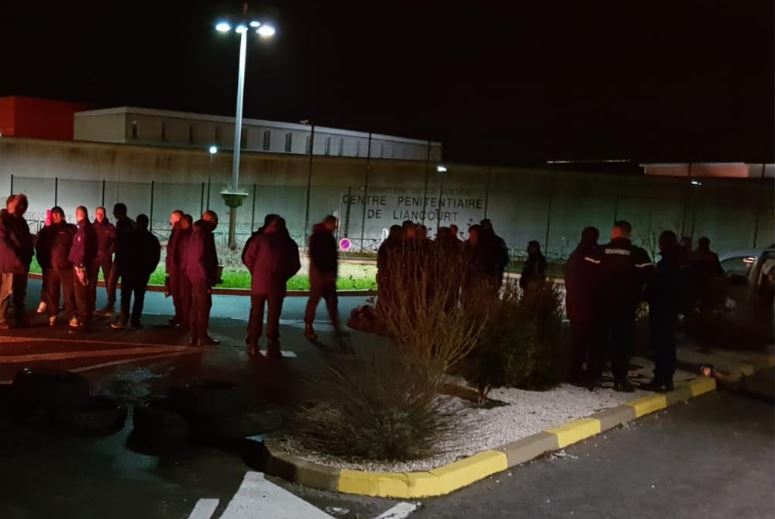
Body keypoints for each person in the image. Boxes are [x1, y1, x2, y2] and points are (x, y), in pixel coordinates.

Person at [585, 220, 654, 392]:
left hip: (600, 305)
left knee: (598, 340)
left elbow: (585, 275)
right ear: (628, 234)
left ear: (613, 233)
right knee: (622, 342)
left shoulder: (599, 252)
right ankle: (620, 378)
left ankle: (594, 376)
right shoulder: (638, 254)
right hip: (625, 307)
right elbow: (651, 277)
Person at [242, 216, 301, 358]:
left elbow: (247, 258)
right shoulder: (288, 243)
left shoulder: (259, 239)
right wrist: (283, 276)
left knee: (256, 314)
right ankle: (272, 343)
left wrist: (255, 273)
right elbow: (295, 265)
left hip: (258, 284)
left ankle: (254, 344)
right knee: (274, 316)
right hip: (277, 285)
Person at [643, 230, 689, 392]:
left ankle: (662, 379)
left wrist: (645, 293)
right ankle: (664, 379)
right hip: (672, 310)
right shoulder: (682, 262)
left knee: (661, 345)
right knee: (668, 345)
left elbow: (657, 286)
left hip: (662, 310)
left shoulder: (667, 264)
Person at [564, 227, 601, 385]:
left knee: (578, 342)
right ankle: (587, 374)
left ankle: (574, 373)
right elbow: (597, 282)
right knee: (591, 343)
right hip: (588, 307)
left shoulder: (575, 255)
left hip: (575, 305)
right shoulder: (592, 256)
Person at [111, 214, 160, 329]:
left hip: (128, 273)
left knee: (125, 297)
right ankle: (135, 321)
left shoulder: (128, 237)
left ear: (137, 223)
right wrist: (149, 270)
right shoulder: (152, 239)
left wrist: (122, 270)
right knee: (139, 297)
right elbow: (155, 257)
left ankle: (123, 320)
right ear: (147, 223)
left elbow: (120, 255)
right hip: (142, 273)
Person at [36, 207, 77, 328]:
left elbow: (77, 246)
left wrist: (73, 263)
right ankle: (52, 315)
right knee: (52, 293)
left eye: (58, 214)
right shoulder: (46, 231)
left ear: (63, 216)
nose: (55, 217)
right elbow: (39, 247)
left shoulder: (71, 229)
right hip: (50, 268)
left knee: (69, 294)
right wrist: (43, 263)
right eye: (53, 215)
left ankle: (72, 316)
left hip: (67, 269)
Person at [183, 210, 220, 347]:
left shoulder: (195, 232)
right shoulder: (203, 234)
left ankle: (194, 336)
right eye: (216, 221)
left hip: (194, 274)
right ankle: (201, 336)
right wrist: (207, 276)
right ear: (210, 220)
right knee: (203, 305)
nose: (217, 224)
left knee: (197, 305)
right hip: (201, 276)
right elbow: (201, 257)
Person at [304, 216, 341, 341]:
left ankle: (335, 327)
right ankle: (309, 326)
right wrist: (328, 272)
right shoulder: (321, 237)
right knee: (316, 300)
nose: (335, 227)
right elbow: (318, 257)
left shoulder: (324, 235)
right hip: (320, 275)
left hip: (322, 275)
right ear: (328, 223)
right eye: (334, 224)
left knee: (330, 301)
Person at [0, 194, 34, 328]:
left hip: (22, 263)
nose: (23, 206)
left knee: (20, 293)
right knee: (7, 291)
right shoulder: (3, 219)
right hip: (10, 263)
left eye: (24, 204)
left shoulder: (21, 221)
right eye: (20, 203)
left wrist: (29, 254)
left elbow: (26, 239)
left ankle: (20, 317)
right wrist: (15, 258)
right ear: (10, 204)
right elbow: (3, 242)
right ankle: (1, 318)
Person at [101, 203, 134, 315]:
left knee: (114, 282)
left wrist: (114, 248)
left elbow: (121, 240)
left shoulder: (124, 224)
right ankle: (114, 306)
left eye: (115, 211)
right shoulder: (127, 224)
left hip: (123, 258)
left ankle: (116, 308)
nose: (113, 213)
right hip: (123, 258)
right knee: (112, 282)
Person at [69, 206, 98, 331]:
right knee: (86, 292)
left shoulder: (83, 229)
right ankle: (87, 318)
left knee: (81, 294)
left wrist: (80, 267)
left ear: (78, 214)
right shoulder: (91, 228)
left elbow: (82, 249)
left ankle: (83, 321)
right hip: (88, 264)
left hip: (81, 266)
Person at [166, 210, 189, 328]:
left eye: (171, 218)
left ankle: (182, 318)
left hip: (177, 269)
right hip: (177, 268)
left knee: (179, 294)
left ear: (176, 219)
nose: (170, 220)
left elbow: (173, 251)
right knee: (179, 294)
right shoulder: (180, 231)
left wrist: (170, 268)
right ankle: (180, 316)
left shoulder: (177, 231)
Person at [92, 207, 116, 315]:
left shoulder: (110, 227)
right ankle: (91, 305)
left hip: (106, 260)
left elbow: (115, 242)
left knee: (109, 282)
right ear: (95, 214)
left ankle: (110, 306)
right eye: (98, 214)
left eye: (102, 214)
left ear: (105, 214)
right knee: (92, 283)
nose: (100, 216)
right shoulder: (91, 227)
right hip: (93, 259)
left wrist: (109, 252)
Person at [690, 236, 723, 310]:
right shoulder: (712, 256)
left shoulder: (692, 256)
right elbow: (719, 271)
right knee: (706, 308)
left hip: (694, 287)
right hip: (708, 287)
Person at [481, 219, 510, 286]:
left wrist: (497, 266)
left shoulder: (498, 241)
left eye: (487, 226)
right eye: (485, 226)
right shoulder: (478, 241)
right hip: (481, 275)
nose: (486, 228)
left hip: (493, 274)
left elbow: (505, 258)